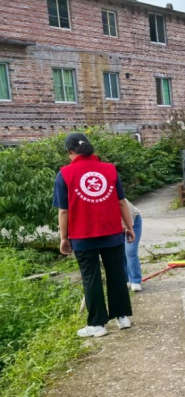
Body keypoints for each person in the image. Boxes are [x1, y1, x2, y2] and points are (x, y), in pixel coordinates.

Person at [53, 133, 135, 337]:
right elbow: (121, 202)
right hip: (112, 232)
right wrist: (130, 227)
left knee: (91, 278)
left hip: (82, 236)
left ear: (69, 152)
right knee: (116, 274)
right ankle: (123, 317)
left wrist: (64, 238)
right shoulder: (109, 169)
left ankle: (98, 324)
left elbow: (64, 211)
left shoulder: (65, 174)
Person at [123, 199, 143, 291]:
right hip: (117, 226)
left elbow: (126, 217)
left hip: (132, 222)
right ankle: (126, 280)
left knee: (130, 251)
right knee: (120, 252)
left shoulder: (116, 199)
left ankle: (135, 281)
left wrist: (128, 227)